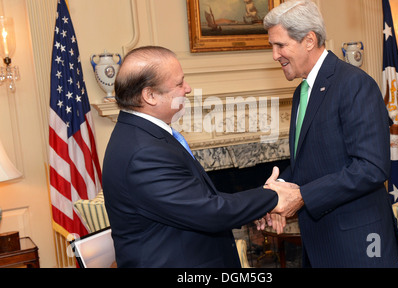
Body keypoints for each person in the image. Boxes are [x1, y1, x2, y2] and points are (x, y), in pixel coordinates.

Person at [102, 46, 299, 268]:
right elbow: (209, 211)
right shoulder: (143, 152)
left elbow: (197, 198)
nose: (188, 88)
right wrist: (272, 197)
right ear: (150, 95)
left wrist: (253, 208)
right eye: (179, 83)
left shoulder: (144, 136)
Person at [262, 0, 398, 267]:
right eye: (272, 46)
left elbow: (371, 167)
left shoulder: (354, 84)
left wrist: (302, 196)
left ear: (309, 40)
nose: (274, 55)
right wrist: (276, 192)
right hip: (321, 242)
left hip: (359, 245)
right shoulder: (302, 91)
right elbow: (313, 163)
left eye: (280, 45)